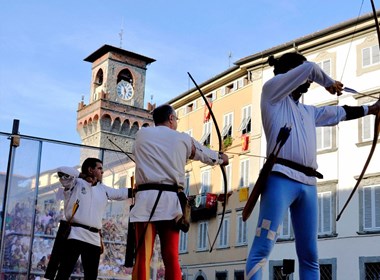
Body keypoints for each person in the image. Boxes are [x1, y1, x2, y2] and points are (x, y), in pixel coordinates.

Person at [245, 52, 380, 279]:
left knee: (310, 255)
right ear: (291, 74)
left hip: (307, 184)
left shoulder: (307, 111)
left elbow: (338, 112)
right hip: (280, 178)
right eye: (304, 79)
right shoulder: (271, 93)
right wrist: (329, 83)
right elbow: (310, 68)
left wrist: (371, 109)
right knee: (262, 249)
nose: (307, 83)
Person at [129, 104, 229, 280]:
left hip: (145, 201)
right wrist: (221, 158)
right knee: (171, 257)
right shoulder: (182, 138)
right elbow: (204, 153)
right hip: (170, 203)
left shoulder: (140, 135)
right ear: (171, 119)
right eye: (176, 119)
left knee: (143, 257)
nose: (176, 122)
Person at [46, 158, 130, 280]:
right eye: (99, 168)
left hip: (94, 238)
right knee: (64, 273)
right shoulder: (75, 183)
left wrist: (139, 188)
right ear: (90, 170)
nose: (102, 172)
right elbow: (61, 170)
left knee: (91, 276)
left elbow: (121, 193)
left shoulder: (103, 189)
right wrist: (82, 176)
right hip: (75, 235)